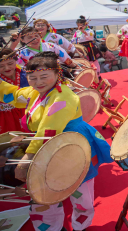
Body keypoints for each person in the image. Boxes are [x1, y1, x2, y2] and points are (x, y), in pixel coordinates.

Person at [1, 51, 112, 230]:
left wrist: (27, 159)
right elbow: (13, 95)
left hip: (72, 146)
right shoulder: (36, 92)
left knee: (80, 193)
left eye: (44, 77)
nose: (38, 83)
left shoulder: (63, 96)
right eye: (33, 78)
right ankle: (51, 227)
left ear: (57, 73)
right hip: (46, 145)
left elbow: (48, 128)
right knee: (42, 195)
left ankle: (79, 226)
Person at [11, 27, 77, 69]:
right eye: (29, 37)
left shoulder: (51, 46)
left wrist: (73, 66)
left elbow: (64, 56)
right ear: (22, 40)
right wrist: (13, 44)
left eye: (36, 36)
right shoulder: (21, 52)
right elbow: (13, 63)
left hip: (54, 74)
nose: (34, 39)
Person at [0, 49, 27, 133]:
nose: (7, 68)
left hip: (26, 110)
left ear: (16, 61)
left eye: (10, 63)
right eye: (1, 66)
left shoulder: (26, 74)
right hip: (5, 115)